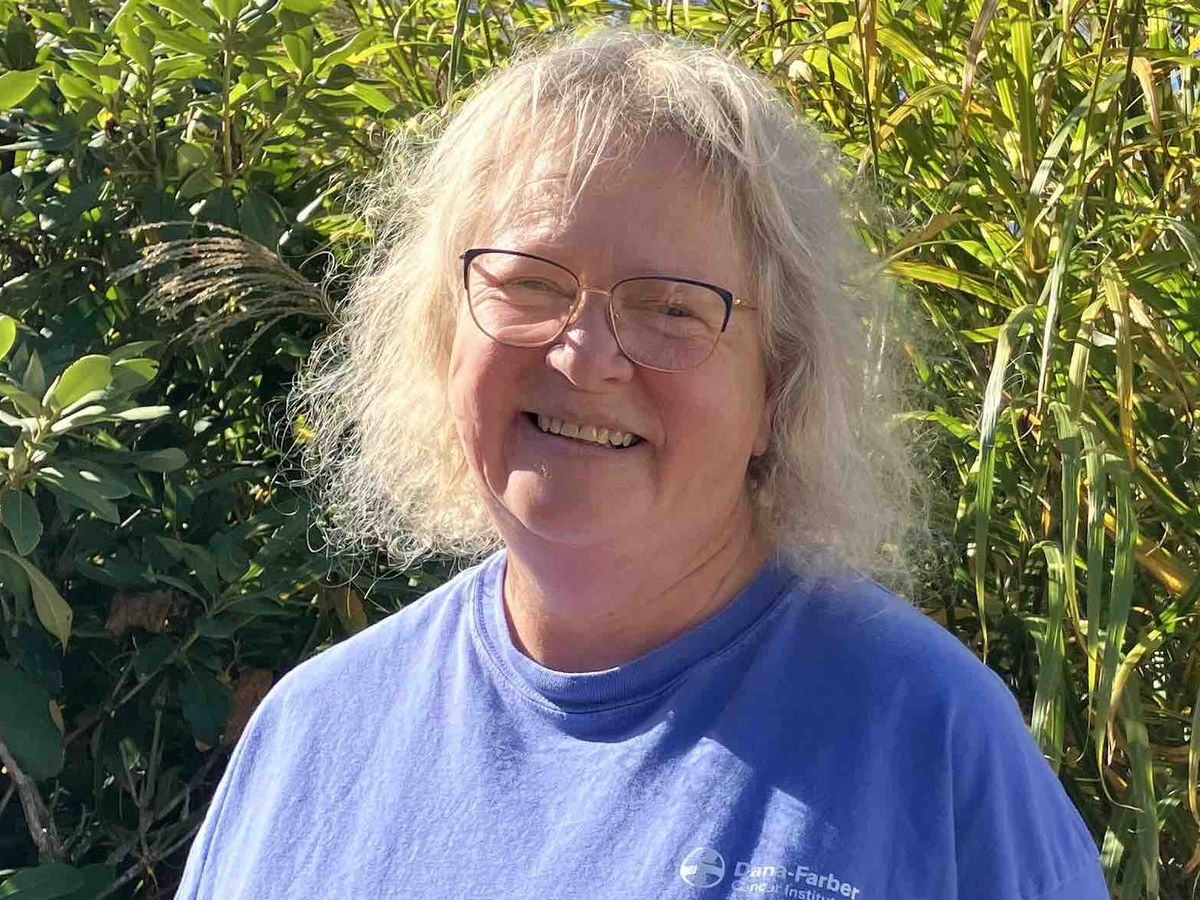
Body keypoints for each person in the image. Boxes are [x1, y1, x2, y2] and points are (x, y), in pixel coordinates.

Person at [176, 26, 1108, 899]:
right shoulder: (314, 737)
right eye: (529, 283)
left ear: (778, 388)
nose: (584, 357)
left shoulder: (929, 743)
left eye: (670, 307)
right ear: (443, 329)